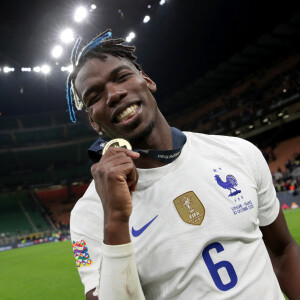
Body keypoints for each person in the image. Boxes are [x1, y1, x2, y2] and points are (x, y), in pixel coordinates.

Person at [68, 29, 300, 300]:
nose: (114, 94)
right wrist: (117, 219)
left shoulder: (239, 153)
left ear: (146, 80)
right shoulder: (89, 214)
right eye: (94, 96)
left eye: (122, 77)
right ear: (94, 121)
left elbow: (283, 251)